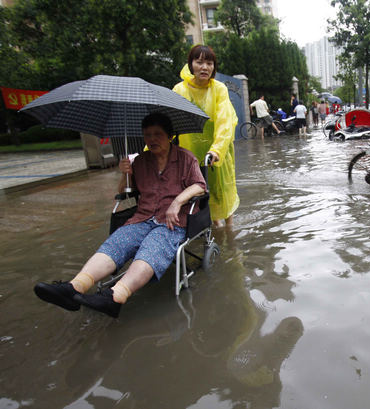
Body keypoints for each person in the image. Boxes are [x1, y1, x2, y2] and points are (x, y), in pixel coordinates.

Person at [33, 113, 207, 318]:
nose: (152, 139)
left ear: (169, 136)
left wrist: (177, 202)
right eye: (147, 135)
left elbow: (199, 186)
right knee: (117, 242)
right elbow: (125, 192)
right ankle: (74, 287)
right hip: (142, 217)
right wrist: (125, 173)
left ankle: (116, 296)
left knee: (153, 247)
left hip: (172, 222)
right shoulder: (140, 161)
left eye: (157, 134)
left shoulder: (186, 158)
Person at [173, 45, 239, 228]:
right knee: (198, 189)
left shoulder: (219, 89)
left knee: (223, 188)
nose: (204, 67)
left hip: (219, 149)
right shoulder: (180, 90)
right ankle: (215, 224)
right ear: (191, 64)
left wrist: (217, 149)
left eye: (209, 63)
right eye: (199, 62)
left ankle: (229, 231)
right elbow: (170, 123)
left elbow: (224, 120)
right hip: (190, 150)